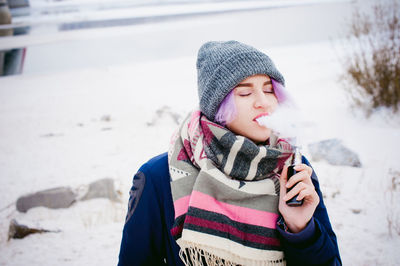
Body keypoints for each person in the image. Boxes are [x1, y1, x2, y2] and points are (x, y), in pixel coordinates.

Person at [118, 41, 341, 266]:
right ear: (218, 106)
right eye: (245, 93)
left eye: (269, 89)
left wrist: (301, 230)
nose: (263, 102)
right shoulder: (158, 177)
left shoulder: (293, 168)